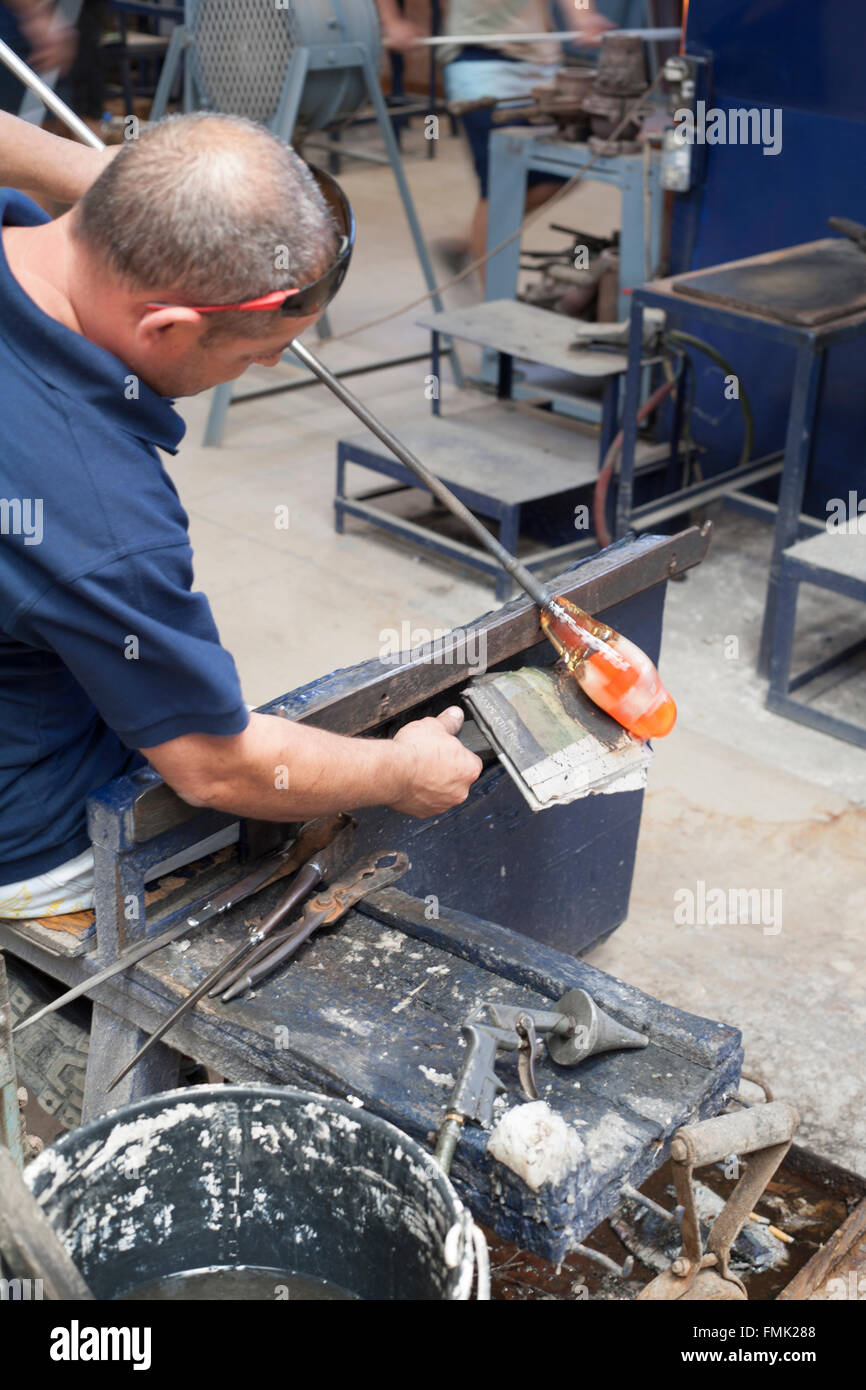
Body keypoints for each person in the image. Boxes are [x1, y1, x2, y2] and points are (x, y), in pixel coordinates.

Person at [0, 111, 482, 917]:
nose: (261, 366)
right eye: (255, 352)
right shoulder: (101, 516)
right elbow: (215, 766)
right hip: (24, 842)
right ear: (167, 326)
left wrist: (99, 174)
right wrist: (401, 774)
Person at [439, 1, 614, 270]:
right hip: (482, 62)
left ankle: (469, 241)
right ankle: (492, 304)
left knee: (561, 174)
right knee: (501, 185)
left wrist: (583, 15)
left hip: (540, 65)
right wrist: (393, 21)